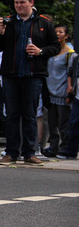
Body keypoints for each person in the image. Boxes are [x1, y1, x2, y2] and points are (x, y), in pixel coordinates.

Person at [0, 0, 60, 166]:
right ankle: (11, 152)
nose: (18, 6)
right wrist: (0, 32)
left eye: (22, 2)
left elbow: (55, 47)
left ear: (31, 3)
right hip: (11, 75)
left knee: (30, 115)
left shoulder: (44, 22)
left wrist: (40, 51)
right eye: (16, 2)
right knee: (12, 115)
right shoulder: (8, 22)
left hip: (33, 75)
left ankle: (30, 153)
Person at [43, 25, 73, 158]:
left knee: (63, 123)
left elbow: (70, 73)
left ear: (66, 35)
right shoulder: (52, 50)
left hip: (62, 92)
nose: (57, 34)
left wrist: (69, 91)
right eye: (56, 32)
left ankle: (65, 147)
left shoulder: (70, 54)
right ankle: (53, 147)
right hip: (50, 92)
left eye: (60, 32)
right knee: (52, 123)